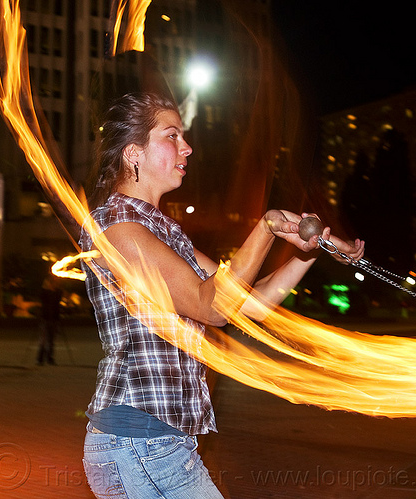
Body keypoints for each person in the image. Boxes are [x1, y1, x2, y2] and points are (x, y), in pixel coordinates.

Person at [79, 92, 365, 499]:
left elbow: (248, 305)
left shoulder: (162, 229)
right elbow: (208, 304)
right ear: (133, 154)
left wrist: (309, 255)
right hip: (138, 442)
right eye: (172, 135)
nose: (187, 147)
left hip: (158, 443)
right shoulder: (116, 227)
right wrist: (265, 229)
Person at [36, 274, 62, 365]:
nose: (54, 285)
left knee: (51, 340)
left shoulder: (57, 293)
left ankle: (50, 358)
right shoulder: (45, 293)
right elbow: (42, 295)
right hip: (45, 318)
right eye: (52, 283)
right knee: (43, 339)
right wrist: (47, 286)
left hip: (54, 319)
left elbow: (58, 297)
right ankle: (40, 359)